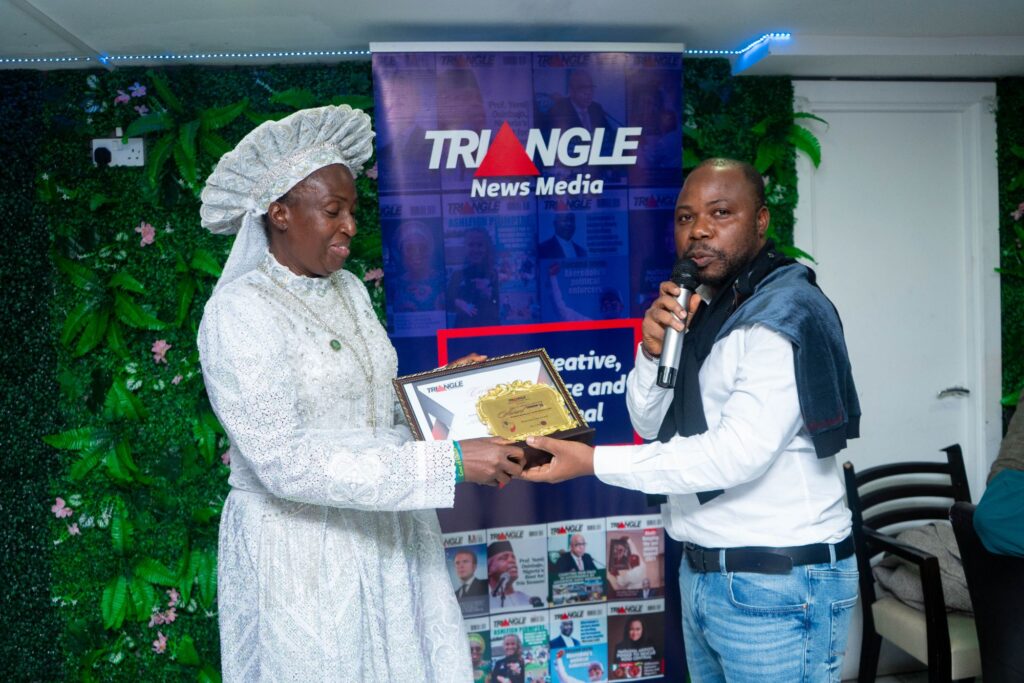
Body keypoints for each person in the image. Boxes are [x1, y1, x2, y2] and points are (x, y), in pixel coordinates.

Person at [197, 105, 525, 681]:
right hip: (305, 547)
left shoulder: (348, 289)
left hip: (387, 530)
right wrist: (446, 462)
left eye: (352, 210)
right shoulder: (238, 313)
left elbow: (364, 406)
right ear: (279, 213)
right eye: (333, 211)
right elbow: (284, 463)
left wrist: (445, 388)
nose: (350, 225)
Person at [521, 158, 861, 681]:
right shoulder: (705, 305)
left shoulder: (782, 312)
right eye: (685, 217)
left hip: (777, 581)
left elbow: (735, 455)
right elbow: (648, 420)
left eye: (720, 213)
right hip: (704, 572)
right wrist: (653, 350)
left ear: (761, 220)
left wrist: (592, 462)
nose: (699, 229)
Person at [447, 227, 500, 327]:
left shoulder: (495, 275)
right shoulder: (457, 275)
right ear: (465, 248)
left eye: (480, 245)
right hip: (463, 332)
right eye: (471, 245)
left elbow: (500, 305)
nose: (475, 250)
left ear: (487, 248)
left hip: (490, 332)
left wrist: (489, 295)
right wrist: (458, 303)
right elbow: (447, 303)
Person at [487, 539, 537, 611]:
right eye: (503, 558)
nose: (511, 560)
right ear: (489, 569)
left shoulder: (530, 600)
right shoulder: (486, 605)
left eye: (513, 557)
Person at [453, 548, 489, 615]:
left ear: (474, 566)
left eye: (465, 561)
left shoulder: (486, 586)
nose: (461, 566)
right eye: (457, 563)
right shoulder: (454, 595)